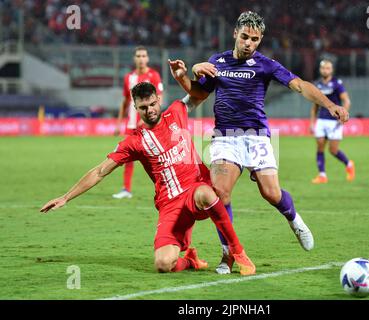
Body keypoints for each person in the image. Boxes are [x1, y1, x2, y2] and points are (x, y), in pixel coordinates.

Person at [168, 11, 349, 275]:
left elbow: (299, 85)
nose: (248, 43)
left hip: (257, 135)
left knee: (271, 193)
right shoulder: (217, 61)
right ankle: (228, 254)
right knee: (220, 193)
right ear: (235, 34)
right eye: (244, 37)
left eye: (254, 39)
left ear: (260, 39)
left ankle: (294, 219)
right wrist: (184, 75)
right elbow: (199, 93)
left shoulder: (266, 64)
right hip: (225, 136)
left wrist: (330, 104)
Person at [40, 79, 256, 276]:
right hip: (170, 204)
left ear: (158, 100)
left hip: (196, 190)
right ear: (135, 108)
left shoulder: (176, 111)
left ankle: (237, 252)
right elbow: (99, 171)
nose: (149, 110)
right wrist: (66, 197)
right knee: (163, 264)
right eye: (143, 107)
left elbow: (200, 94)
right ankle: (190, 261)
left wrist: (184, 75)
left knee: (207, 193)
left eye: (152, 104)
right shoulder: (134, 142)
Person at [112, 46, 164, 199]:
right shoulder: (129, 77)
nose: (141, 59)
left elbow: (159, 98)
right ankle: (126, 189)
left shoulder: (154, 75)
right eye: (138, 56)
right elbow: (125, 101)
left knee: (156, 156)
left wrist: (147, 117)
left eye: (143, 56)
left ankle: (164, 187)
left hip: (149, 125)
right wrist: (118, 123)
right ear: (135, 59)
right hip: (131, 125)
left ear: (147, 58)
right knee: (127, 156)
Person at [309, 60, 354, 184]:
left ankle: (349, 164)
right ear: (320, 69)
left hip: (334, 121)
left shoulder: (337, 84)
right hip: (321, 120)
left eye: (328, 68)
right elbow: (315, 106)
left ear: (332, 70)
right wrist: (312, 122)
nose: (325, 70)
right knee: (320, 147)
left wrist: (343, 115)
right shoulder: (317, 85)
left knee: (333, 150)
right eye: (323, 68)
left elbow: (346, 101)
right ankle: (322, 175)